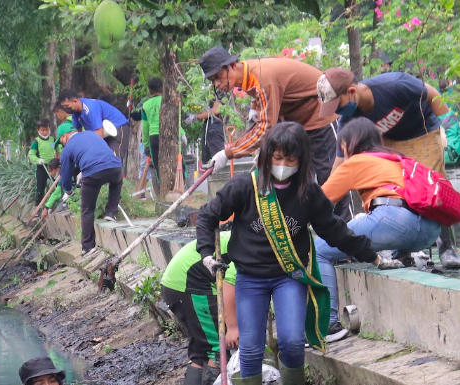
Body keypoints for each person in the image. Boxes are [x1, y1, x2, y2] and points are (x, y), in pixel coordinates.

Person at [196, 122, 378, 385]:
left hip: (288, 277)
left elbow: (335, 230)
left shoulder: (308, 193)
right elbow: (207, 216)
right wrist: (207, 254)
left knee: (293, 340)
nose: (283, 164)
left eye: (290, 159)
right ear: (267, 157)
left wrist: (374, 254)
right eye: (277, 157)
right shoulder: (245, 186)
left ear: (301, 160)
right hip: (249, 279)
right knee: (250, 350)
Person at [314, 118, 443, 341]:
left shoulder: (355, 163)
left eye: (342, 147)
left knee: (319, 250)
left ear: (349, 144)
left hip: (394, 220)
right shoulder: (397, 158)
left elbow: (317, 203)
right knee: (368, 221)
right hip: (431, 230)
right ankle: (409, 259)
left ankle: (329, 325)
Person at [316, 67, 458, 268]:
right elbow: (340, 167)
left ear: (352, 92)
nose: (337, 112)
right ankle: (403, 251)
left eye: (337, 105)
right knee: (399, 188)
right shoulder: (349, 121)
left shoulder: (393, 85)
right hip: (388, 142)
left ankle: (448, 249)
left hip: (421, 132)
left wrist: (453, 129)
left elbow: (433, 95)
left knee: (431, 185)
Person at [199, 45, 337, 184]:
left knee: (330, 179)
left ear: (232, 65)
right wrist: (254, 108)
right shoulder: (247, 74)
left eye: (218, 76)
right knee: (301, 183)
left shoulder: (262, 77)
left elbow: (264, 129)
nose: (217, 83)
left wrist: (227, 153)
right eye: (212, 80)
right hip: (296, 124)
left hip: (319, 117)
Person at [160, 233, 239, 385]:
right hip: (191, 283)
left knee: (200, 349)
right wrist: (233, 327)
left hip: (176, 283)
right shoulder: (249, 246)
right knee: (217, 347)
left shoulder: (242, 236)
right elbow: (230, 286)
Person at [58, 127, 124, 253]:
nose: (62, 143)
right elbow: (99, 152)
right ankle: (110, 212)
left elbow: (65, 173)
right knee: (117, 181)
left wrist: (68, 191)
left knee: (87, 209)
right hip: (114, 166)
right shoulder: (91, 134)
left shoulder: (67, 148)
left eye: (61, 141)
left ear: (65, 136)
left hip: (93, 173)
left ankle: (88, 247)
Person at [57, 88, 131, 164]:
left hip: (118, 127)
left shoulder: (90, 108)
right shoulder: (75, 115)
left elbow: (99, 134)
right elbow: (77, 135)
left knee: (114, 159)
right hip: (104, 134)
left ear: (75, 101)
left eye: (67, 106)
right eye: (64, 107)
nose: (65, 109)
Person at [133, 78, 163, 185]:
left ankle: (162, 190)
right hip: (169, 136)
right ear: (163, 88)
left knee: (157, 166)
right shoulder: (167, 100)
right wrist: (181, 134)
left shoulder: (145, 105)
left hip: (153, 137)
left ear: (149, 90)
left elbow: (145, 128)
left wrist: (146, 145)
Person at [29, 118, 62, 205]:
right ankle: (38, 207)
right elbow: (31, 154)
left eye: (46, 130)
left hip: (53, 167)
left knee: (57, 185)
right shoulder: (36, 141)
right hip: (42, 167)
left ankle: (59, 204)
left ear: (49, 129)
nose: (45, 132)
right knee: (40, 188)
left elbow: (58, 150)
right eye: (42, 130)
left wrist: (57, 160)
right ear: (38, 130)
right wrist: (38, 160)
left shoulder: (53, 139)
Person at [186, 99, 226, 168]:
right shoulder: (211, 93)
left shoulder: (220, 92)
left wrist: (196, 117)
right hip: (209, 131)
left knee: (217, 161)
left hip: (215, 131)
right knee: (207, 163)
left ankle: (219, 177)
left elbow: (217, 110)